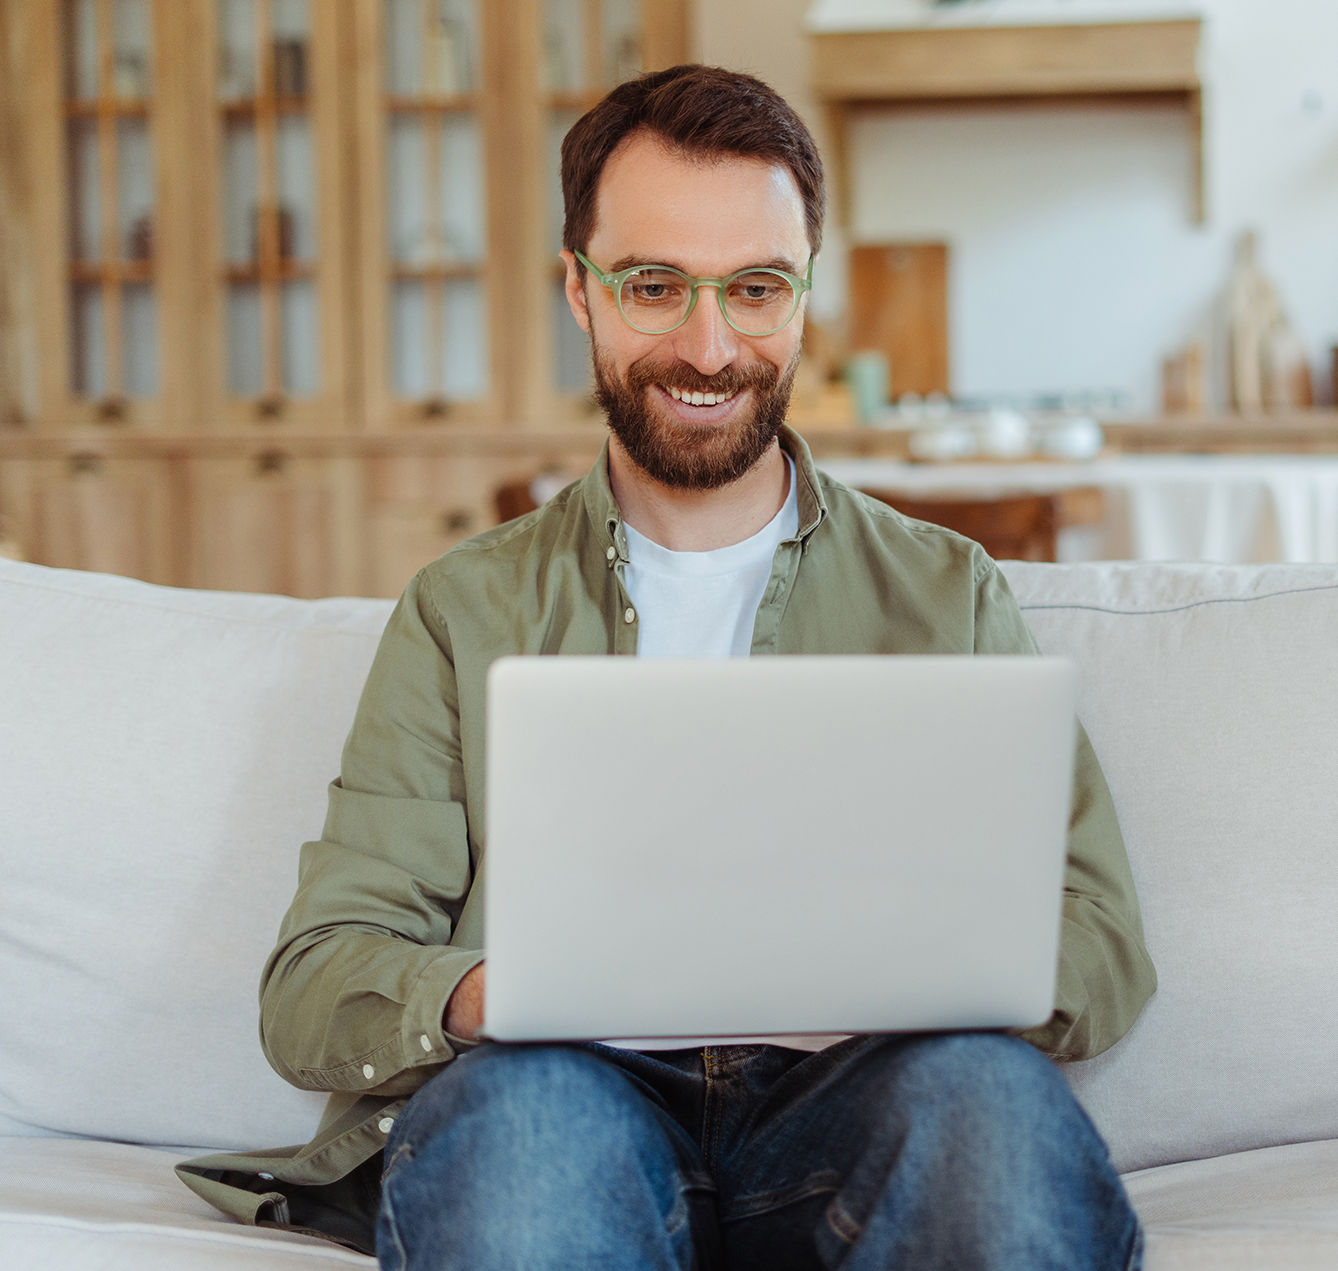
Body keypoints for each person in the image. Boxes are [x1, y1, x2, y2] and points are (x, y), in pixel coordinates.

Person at [177, 64, 1156, 1270]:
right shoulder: (460, 610)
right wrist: (506, 986)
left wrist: (894, 965)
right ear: (579, 295)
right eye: (653, 285)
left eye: (753, 289)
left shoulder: (946, 590)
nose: (708, 344)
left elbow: (1102, 943)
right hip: (565, 1098)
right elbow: (315, 984)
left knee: (991, 1116)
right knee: (523, 1139)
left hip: (865, 1101)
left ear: (802, 300)